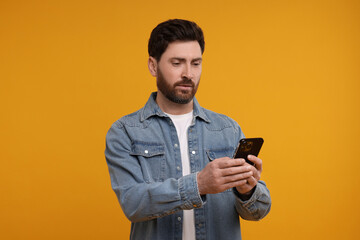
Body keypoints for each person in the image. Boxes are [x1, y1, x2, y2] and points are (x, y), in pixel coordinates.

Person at [105, 19, 271, 240]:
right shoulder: (125, 132)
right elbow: (133, 204)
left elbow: (258, 212)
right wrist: (199, 184)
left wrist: (247, 191)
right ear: (153, 66)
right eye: (177, 63)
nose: (188, 73)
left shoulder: (227, 129)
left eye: (195, 63)